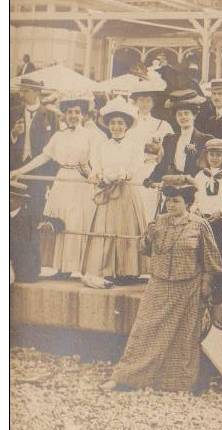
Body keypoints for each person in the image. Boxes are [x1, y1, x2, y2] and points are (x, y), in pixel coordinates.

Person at [100, 178, 222, 393]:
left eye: (176, 201)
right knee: (144, 331)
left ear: (187, 203)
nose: (171, 205)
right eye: (168, 201)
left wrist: (205, 286)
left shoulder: (200, 225)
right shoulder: (159, 222)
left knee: (183, 336)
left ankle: (174, 383)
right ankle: (125, 377)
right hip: (158, 285)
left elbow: (212, 261)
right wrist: (149, 235)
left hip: (187, 287)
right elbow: (145, 250)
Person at [11, 95, 100, 277]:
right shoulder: (59, 135)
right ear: (65, 115)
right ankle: (60, 267)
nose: (73, 115)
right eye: (69, 112)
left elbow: (97, 159)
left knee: (76, 220)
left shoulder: (90, 135)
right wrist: (20, 170)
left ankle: (73, 265)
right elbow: (44, 156)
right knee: (59, 220)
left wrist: (93, 174)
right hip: (62, 180)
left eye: (77, 112)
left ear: (82, 115)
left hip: (80, 181)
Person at [81, 98, 148, 284]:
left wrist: (123, 175)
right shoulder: (102, 146)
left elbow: (135, 168)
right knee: (107, 229)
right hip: (108, 193)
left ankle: (128, 270)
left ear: (126, 126)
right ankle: (107, 268)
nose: (116, 127)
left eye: (120, 123)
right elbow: (96, 166)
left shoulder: (134, 146)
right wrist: (96, 175)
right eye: (113, 123)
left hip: (126, 192)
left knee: (126, 228)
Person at [193, 139, 222, 300]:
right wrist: (196, 210)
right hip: (202, 220)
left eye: (218, 155)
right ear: (206, 156)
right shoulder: (200, 175)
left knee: (218, 253)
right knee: (201, 253)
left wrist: (221, 212)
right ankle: (201, 289)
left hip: (220, 220)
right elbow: (195, 197)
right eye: (212, 155)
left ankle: (218, 291)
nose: (214, 158)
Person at [126, 80, 174, 222]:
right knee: (133, 208)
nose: (144, 104)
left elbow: (170, 151)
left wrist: (159, 152)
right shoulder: (128, 124)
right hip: (133, 171)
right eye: (141, 100)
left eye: (148, 100)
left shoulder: (162, 125)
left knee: (151, 207)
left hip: (153, 170)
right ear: (136, 102)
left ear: (153, 103)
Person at [16, 78, 59, 219]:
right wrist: (13, 134)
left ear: (36, 92)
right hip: (15, 169)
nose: (21, 94)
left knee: (36, 209)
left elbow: (54, 149)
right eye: (21, 90)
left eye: (25, 91)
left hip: (40, 171)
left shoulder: (51, 115)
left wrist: (50, 180)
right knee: (14, 210)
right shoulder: (12, 113)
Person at [146, 93, 212, 182]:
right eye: (179, 114)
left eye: (186, 113)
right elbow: (163, 165)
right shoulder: (169, 140)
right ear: (176, 117)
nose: (183, 117)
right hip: (174, 187)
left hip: (196, 188)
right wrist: (151, 179)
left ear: (194, 116)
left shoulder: (205, 140)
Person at [10, 181, 41, 283]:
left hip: (23, 268)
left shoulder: (29, 218)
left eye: (11, 197)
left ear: (21, 201)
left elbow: (59, 222)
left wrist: (49, 225)